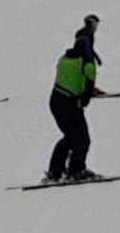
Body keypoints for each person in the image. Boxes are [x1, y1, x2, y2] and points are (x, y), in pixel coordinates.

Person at [45, 45, 97, 183]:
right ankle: (76, 170)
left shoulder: (64, 59)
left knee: (71, 137)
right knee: (82, 139)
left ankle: (55, 171)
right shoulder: (87, 64)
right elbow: (88, 89)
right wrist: (83, 100)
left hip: (55, 101)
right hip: (69, 103)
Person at [72, 13, 109, 96]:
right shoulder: (84, 34)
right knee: (86, 72)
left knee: (89, 71)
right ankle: (88, 89)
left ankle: (90, 87)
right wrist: (89, 57)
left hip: (86, 56)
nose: (96, 27)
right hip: (81, 57)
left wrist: (96, 57)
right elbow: (83, 47)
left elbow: (90, 48)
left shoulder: (89, 34)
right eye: (94, 24)